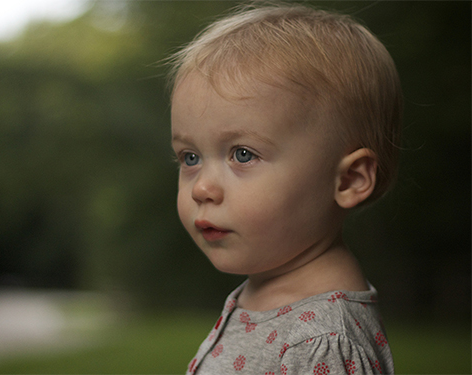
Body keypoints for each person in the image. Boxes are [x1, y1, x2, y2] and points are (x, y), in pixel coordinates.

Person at [168, 3, 402, 374]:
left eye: (242, 154)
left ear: (349, 180)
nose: (202, 189)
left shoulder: (320, 343)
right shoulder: (269, 292)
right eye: (190, 157)